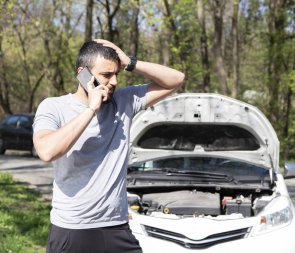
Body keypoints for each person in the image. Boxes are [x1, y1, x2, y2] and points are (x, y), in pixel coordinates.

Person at [33, 39, 185, 253]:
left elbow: (176, 79)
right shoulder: (54, 107)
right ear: (82, 74)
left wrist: (130, 62)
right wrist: (90, 110)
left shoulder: (124, 101)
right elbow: (47, 151)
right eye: (106, 75)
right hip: (72, 229)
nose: (114, 81)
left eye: (117, 74)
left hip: (116, 228)